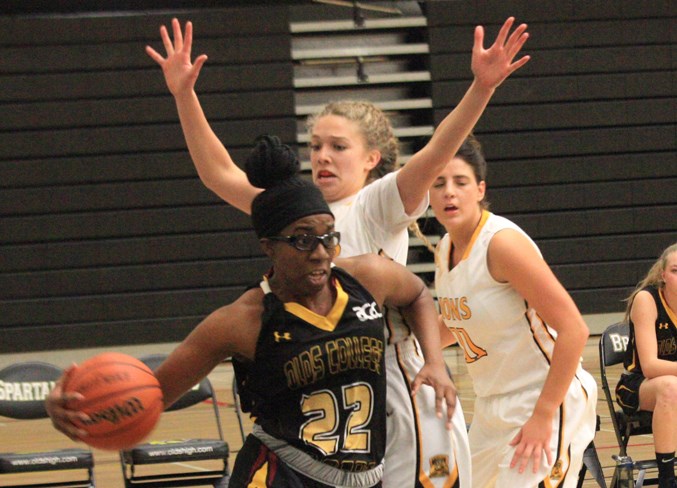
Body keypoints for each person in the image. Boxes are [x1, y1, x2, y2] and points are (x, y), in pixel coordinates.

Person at [145, 16, 530, 487]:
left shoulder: (378, 202)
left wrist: (481, 88)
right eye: (317, 145)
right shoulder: (296, 212)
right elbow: (218, 174)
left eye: (338, 146)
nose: (323, 155)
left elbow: (435, 151)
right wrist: (184, 94)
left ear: (372, 159)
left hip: (392, 380)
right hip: (322, 384)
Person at [45, 135, 457, 488]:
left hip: (366, 476)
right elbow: (152, 394)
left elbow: (418, 294)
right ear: (268, 247)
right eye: (301, 241)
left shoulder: (366, 276)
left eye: (328, 237)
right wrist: (80, 415)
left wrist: (435, 361)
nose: (319, 253)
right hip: (282, 473)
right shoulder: (241, 321)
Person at [430, 134, 598, 487]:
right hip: (492, 403)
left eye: (460, 182)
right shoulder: (445, 249)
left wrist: (543, 415)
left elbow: (575, 330)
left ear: (479, 189)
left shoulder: (501, 243)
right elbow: (457, 324)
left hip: (545, 394)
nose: (449, 192)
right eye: (438, 183)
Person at [616, 242, 677, 488]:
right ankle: (667, 478)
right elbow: (650, 366)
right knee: (670, 388)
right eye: (675, 270)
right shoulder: (647, 299)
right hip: (639, 384)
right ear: (663, 275)